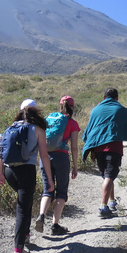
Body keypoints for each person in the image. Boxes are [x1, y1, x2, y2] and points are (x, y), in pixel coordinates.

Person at [0, 99, 54, 253]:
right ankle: (19, 249)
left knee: (26, 202)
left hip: (9, 171)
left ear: (20, 111)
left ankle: (26, 235)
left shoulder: (10, 127)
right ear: (36, 111)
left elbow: (0, 151)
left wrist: (0, 172)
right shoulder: (38, 129)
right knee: (22, 207)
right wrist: (50, 179)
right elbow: (44, 156)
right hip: (26, 171)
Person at [82, 88, 127, 219]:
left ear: (104, 97)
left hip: (98, 148)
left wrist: (91, 148)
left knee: (107, 176)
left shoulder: (95, 110)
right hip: (113, 148)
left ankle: (112, 201)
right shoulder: (121, 109)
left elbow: (89, 130)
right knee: (109, 176)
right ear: (117, 98)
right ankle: (103, 207)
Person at [35, 95, 81, 235]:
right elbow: (74, 148)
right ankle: (55, 225)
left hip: (45, 157)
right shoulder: (72, 123)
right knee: (61, 192)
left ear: (60, 106)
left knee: (47, 189)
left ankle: (41, 215)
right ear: (72, 107)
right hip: (61, 158)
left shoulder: (49, 119)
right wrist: (75, 166)